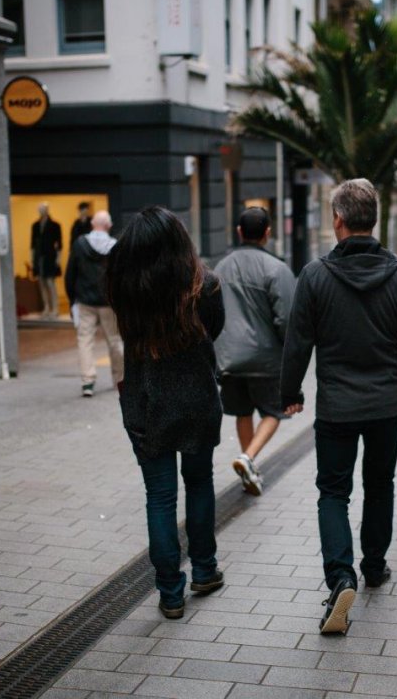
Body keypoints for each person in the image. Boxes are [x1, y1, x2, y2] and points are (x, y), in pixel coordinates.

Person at [281, 178, 397, 634]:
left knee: (333, 492)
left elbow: (298, 343)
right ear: (372, 220)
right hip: (386, 405)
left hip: (335, 405)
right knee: (380, 484)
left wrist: (289, 393)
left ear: (338, 220)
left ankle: (340, 577)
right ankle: (374, 566)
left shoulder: (315, 276)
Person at [106, 206, 225, 619]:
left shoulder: (126, 289)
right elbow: (216, 329)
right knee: (199, 483)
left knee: (159, 497)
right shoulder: (204, 286)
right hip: (196, 398)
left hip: (146, 402)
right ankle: (205, 570)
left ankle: (170, 593)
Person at [214, 207, 296, 497]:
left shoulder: (220, 268)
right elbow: (286, 318)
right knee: (274, 412)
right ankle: (248, 458)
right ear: (268, 233)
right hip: (265, 359)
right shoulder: (277, 269)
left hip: (229, 359)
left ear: (239, 232)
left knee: (242, 411)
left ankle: (248, 464)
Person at [65, 210, 123, 398]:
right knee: (114, 341)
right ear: (108, 226)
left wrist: (72, 298)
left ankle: (87, 381)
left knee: (85, 341)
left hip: (85, 302)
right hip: (108, 302)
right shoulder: (114, 247)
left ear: (92, 224)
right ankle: (119, 379)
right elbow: (120, 277)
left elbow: (70, 273)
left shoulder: (80, 244)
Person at [31, 202, 63, 318]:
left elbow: (59, 244)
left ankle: (55, 308)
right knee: (41, 283)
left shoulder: (55, 225)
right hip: (39, 257)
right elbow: (33, 245)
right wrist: (32, 260)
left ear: (47, 210)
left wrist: (58, 259)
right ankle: (46, 307)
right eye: (39, 209)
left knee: (50, 283)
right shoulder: (35, 225)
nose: (41, 211)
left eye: (43, 208)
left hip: (50, 257)